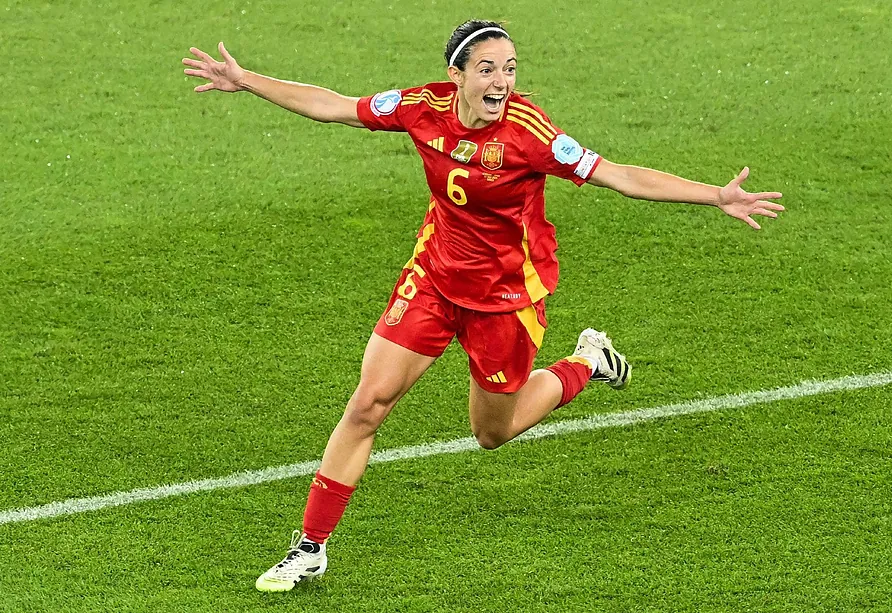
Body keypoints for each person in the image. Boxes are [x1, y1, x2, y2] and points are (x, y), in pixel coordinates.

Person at [183, 19, 784, 592]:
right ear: (458, 76)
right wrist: (248, 80)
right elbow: (335, 105)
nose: (503, 82)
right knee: (368, 405)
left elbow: (618, 174)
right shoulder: (422, 108)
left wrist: (716, 196)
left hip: (507, 300)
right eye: (489, 69)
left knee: (491, 434)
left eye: (511, 69)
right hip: (435, 280)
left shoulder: (532, 133)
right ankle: (311, 548)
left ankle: (586, 363)